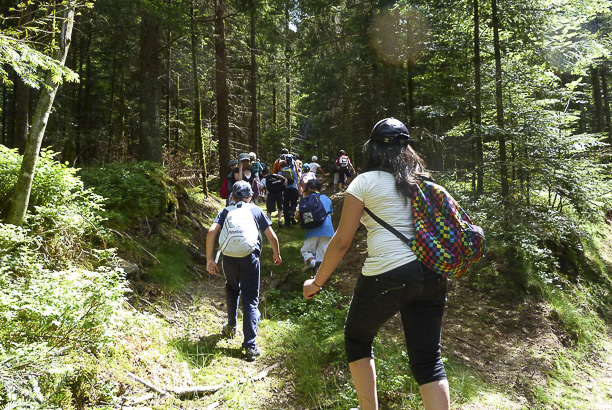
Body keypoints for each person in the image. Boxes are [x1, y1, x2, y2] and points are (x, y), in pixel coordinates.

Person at [303, 118, 450, 410]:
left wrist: (316, 282)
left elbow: (342, 241)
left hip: (388, 273)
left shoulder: (363, 183)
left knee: (357, 339)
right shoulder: (424, 182)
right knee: (428, 359)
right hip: (432, 272)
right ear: (406, 150)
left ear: (372, 149)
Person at [206, 181, 282, 361]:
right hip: (250, 258)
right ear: (251, 196)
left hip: (229, 258)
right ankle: (250, 345)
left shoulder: (226, 211)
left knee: (232, 288)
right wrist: (276, 254)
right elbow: (272, 236)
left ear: (232, 197)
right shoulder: (256, 210)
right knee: (250, 298)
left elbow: (211, 232)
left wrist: (210, 259)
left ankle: (231, 325)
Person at [297, 178, 334, 271]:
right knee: (322, 255)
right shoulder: (327, 199)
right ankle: (319, 276)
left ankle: (313, 263)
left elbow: (297, 216)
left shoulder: (306, 200)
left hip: (312, 229)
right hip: (328, 230)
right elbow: (330, 214)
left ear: (308, 189)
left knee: (306, 251)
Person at [278, 159, 299, 226]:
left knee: (285, 205)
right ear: (287, 165)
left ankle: (287, 221)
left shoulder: (280, 172)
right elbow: (296, 180)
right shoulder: (292, 170)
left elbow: (280, 182)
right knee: (294, 204)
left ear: (280, 166)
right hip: (294, 189)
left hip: (285, 190)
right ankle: (292, 216)